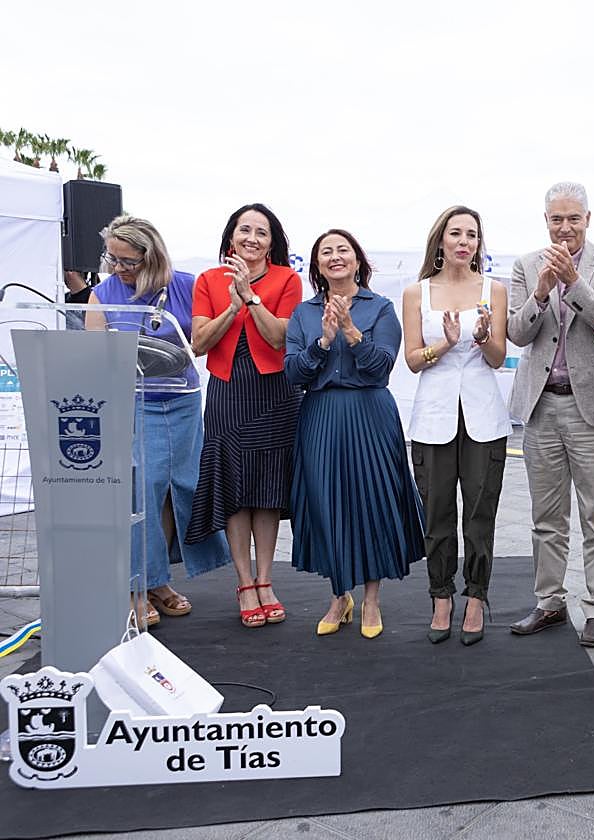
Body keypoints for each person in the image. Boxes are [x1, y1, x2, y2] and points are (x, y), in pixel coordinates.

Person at [85, 215, 229, 625]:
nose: (118, 268)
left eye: (127, 261)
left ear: (152, 257)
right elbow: (96, 357)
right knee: (140, 492)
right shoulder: (104, 294)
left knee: (176, 489)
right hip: (135, 403)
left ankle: (158, 581)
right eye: (112, 258)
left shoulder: (186, 285)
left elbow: (204, 339)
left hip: (184, 401)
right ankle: (136, 586)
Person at [286, 229, 426, 638]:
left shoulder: (380, 308)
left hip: (370, 412)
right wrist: (323, 342)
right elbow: (293, 371)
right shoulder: (304, 312)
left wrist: (350, 330)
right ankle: (338, 596)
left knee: (373, 502)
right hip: (320, 414)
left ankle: (371, 599)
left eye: (342, 250)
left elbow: (381, 366)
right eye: (325, 252)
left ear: (357, 260)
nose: (334, 257)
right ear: (316, 265)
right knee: (325, 503)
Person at [506, 182, 594, 647]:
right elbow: (516, 333)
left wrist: (572, 283)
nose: (565, 227)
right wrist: (539, 293)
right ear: (546, 220)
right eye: (557, 219)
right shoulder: (525, 265)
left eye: (574, 218)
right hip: (540, 406)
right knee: (546, 515)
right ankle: (549, 601)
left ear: (588, 220)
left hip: (589, 404)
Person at [185, 203, 302, 628]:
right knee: (233, 488)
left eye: (262, 232)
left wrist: (251, 298)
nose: (252, 238)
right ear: (230, 236)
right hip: (227, 391)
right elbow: (198, 343)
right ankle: (244, 582)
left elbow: (279, 338)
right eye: (244, 230)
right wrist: (231, 307)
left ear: (273, 242)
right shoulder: (208, 280)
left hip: (273, 391)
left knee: (267, 487)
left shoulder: (287, 279)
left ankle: (267, 580)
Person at [402, 207, 511, 646]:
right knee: (437, 511)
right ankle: (441, 594)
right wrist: (443, 345)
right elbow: (411, 361)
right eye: (456, 233)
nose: (464, 241)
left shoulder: (494, 290)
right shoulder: (417, 293)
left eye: (472, 235)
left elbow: (499, 358)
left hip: (484, 414)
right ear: (441, 241)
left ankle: (477, 596)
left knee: (481, 512)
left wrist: (483, 338)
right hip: (433, 414)